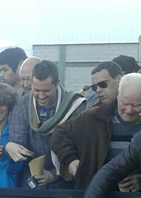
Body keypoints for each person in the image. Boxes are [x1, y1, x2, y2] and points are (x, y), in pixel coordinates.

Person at [51, 73, 141, 190]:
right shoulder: (95, 117)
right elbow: (59, 133)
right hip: (94, 194)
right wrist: (71, 160)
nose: (129, 110)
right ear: (118, 96)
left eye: (136, 105)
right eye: (124, 103)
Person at [5, 60, 87, 188]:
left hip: (65, 177)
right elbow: (18, 141)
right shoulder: (22, 105)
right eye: (36, 90)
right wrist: (12, 146)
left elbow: (81, 149)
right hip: (31, 175)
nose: (41, 96)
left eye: (46, 91)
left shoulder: (75, 106)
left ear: (57, 83)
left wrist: (54, 174)